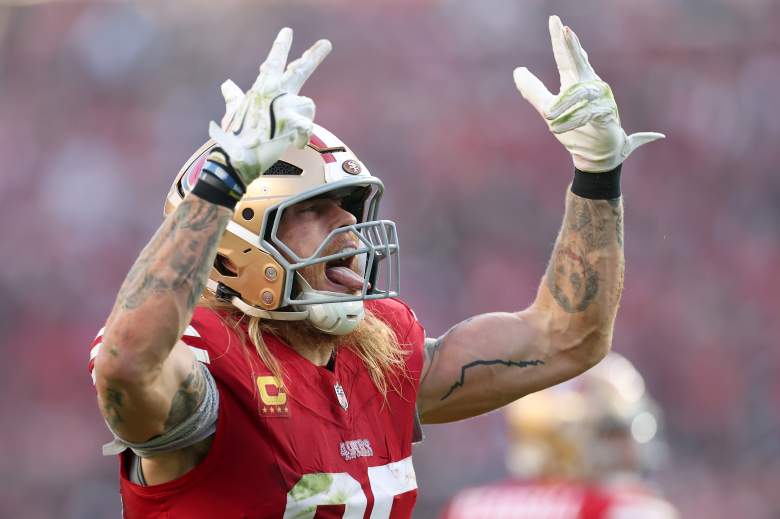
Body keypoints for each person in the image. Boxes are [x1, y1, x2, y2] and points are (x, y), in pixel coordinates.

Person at [88, 16, 663, 518]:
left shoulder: (377, 355)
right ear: (236, 242)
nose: (348, 226)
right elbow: (128, 362)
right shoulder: (207, 365)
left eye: (350, 206)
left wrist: (596, 173)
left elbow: (568, 338)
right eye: (312, 209)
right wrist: (220, 182)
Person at [437, 352, 679, 519]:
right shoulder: (627, 510)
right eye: (608, 434)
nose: (627, 451)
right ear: (558, 435)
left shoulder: (466, 506)